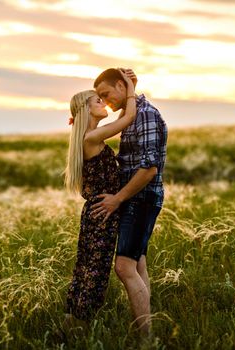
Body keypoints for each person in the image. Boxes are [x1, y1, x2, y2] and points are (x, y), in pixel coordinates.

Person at [91, 68, 167, 336]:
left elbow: (149, 168)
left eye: (106, 93)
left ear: (121, 87)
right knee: (138, 264)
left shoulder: (145, 114)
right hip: (135, 198)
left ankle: (145, 337)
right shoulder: (132, 112)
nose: (105, 100)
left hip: (141, 198)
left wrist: (117, 199)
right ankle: (147, 329)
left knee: (124, 267)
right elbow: (121, 119)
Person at [63, 69, 137, 331]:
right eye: (98, 101)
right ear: (86, 110)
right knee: (95, 271)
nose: (103, 103)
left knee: (87, 267)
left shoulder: (90, 137)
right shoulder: (92, 137)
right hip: (102, 213)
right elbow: (128, 117)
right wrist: (130, 86)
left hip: (97, 212)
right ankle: (78, 328)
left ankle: (71, 324)